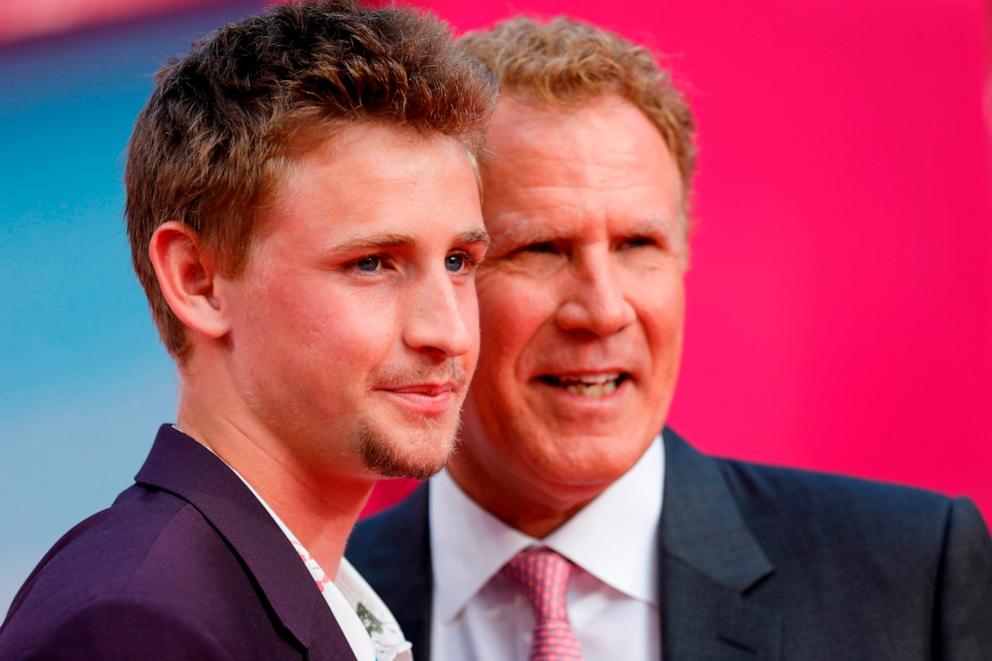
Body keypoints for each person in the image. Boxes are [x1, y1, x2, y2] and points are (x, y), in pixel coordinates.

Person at [347, 16, 992, 660]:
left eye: (637, 245)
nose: (602, 311)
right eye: (541, 248)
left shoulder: (911, 574)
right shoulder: (320, 599)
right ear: (445, 279)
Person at [0, 1, 496, 659]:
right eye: (372, 263)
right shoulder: (137, 625)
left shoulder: (300, 598)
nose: (449, 331)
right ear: (199, 280)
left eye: (459, 261)